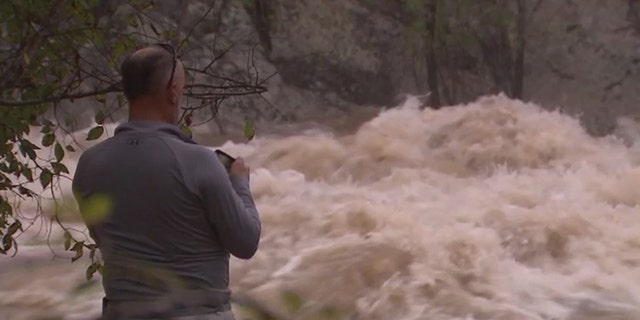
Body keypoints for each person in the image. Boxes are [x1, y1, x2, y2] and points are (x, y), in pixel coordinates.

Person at [72, 43, 261, 320]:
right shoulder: (199, 161)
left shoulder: (89, 165)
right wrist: (240, 185)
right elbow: (246, 242)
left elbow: (102, 237)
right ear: (173, 91)